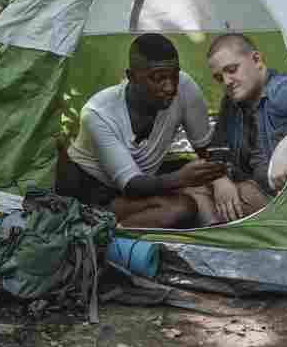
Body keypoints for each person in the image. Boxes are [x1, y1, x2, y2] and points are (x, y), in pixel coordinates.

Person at [54, 33, 226, 229]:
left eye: (174, 76)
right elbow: (131, 185)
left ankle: (217, 233)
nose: (170, 87)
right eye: (158, 78)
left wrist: (222, 180)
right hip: (98, 192)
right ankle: (98, 234)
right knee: (181, 208)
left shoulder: (184, 86)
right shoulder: (98, 113)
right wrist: (181, 179)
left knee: (207, 186)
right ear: (131, 77)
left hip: (146, 179)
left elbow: (207, 148)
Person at [201, 33, 287, 223]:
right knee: (194, 192)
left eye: (232, 70)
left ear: (256, 60)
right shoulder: (231, 103)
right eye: (219, 78)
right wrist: (220, 179)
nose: (227, 81)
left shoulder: (282, 91)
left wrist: (286, 145)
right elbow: (216, 151)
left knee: (207, 202)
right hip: (253, 187)